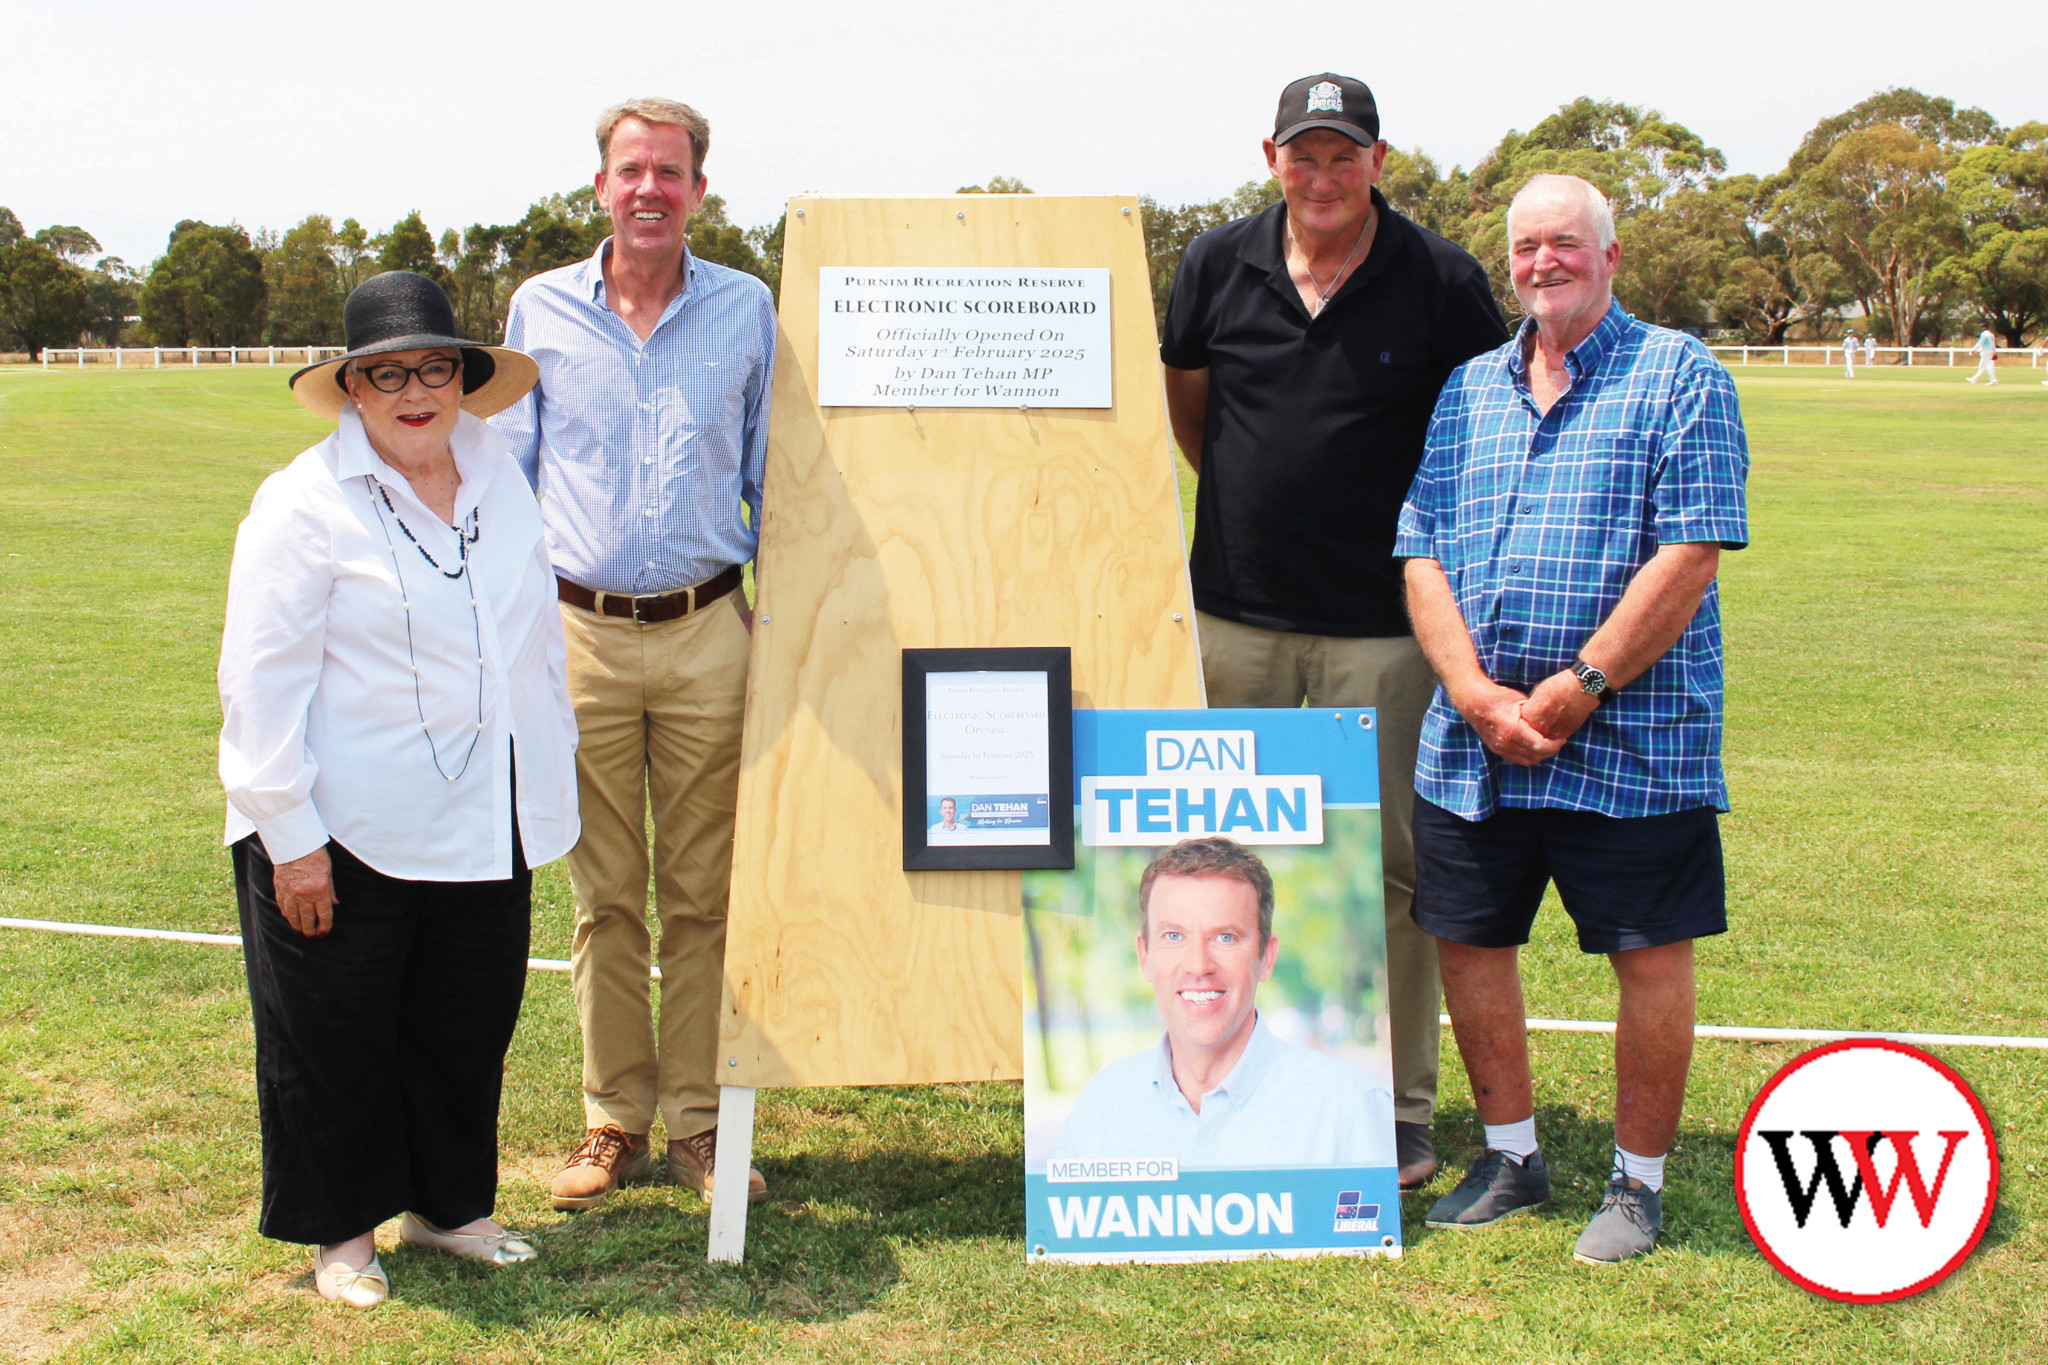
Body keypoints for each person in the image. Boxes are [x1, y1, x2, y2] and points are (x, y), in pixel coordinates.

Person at [1157, 73, 1508, 1192]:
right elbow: (1189, 407)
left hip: (1387, 630)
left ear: (1375, 159)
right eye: (1301, 155)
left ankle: (1396, 1110)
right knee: (1216, 872)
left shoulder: (1442, 279)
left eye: (1340, 155)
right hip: (1233, 620)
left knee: (1391, 870)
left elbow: (1477, 428)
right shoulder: (1216, 263)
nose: (1320, 176)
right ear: (1270, 157)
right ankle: (1214, 1098)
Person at [1394, 174, 1748, 1265]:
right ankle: (1510, 1156)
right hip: (1475, 746)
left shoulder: (1678, 375)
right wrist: (1468, 692)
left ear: (1608, 255)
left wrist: (1574, 689)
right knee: (1468, 942)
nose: (1542, 263)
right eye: (1525, 248)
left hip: (1630, 744)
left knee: (1645, 956)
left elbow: (1688, 552)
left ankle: (1635, 1185)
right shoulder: (1467, 389)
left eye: (1564, 244)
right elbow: (1419, 547)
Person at [219, 271, 579, 1307]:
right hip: (346, 824)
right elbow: (259, 681)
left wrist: (541, 793)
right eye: (386, 373)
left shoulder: (499, 477)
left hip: (482, 817)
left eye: (433, 368)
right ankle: (343, 1236)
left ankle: (450, 1208)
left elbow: (527, 649)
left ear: (465, 380)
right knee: (332, 1039)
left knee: (463, 1024)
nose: (413, 390)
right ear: (353, 389)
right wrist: (291, 835)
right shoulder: (300, 504)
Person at [491, 97, 775, 1211]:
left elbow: (773, 476)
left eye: (670, 170)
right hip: (580, 641)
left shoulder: (747, 310)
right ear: (600, 187)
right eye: (629, 170)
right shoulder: (540, 309)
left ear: (699, 190)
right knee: (604, 896)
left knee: (704, 895)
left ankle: (703, 1124)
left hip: (711, 631)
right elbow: (510, 483)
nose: (649, 187)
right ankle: (613, 1119)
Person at [1054, 838, 1396, 1169]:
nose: (1199, 965)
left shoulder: (1349, 1110)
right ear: (1145, 956)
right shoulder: (1101, 1107)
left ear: (1266, 957)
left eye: (1225, 937)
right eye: (1174, 936)